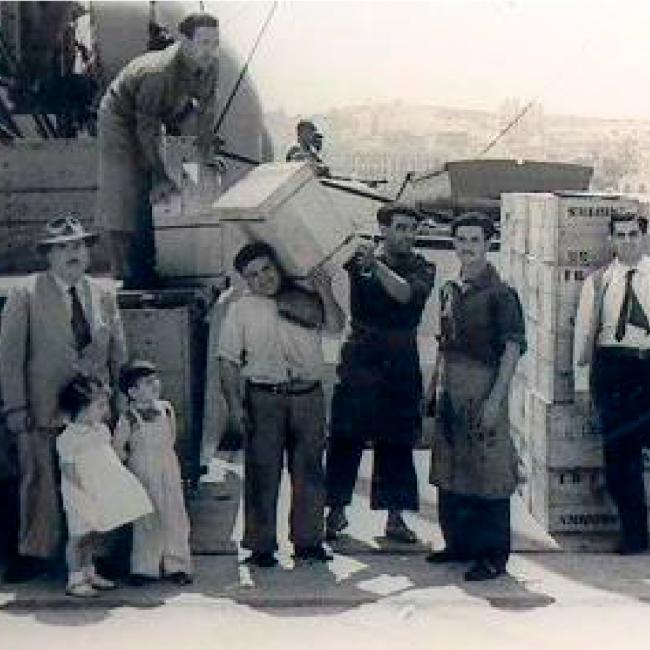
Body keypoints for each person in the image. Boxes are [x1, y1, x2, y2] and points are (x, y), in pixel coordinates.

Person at [0, 215, 127, 583]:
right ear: (49, 256)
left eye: (79, 246)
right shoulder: (25, 294)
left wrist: (119, 404)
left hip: (91, 413)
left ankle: (95, 558)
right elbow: (8, 358)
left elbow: (118, 353)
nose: (73, 253)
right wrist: (15, 407)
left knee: (96, 482)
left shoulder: (103, 293)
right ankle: (36, 554)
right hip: (41, 409)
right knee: (38, 482)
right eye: (63, 247)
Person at [218, 242, 345, 567]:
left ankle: (309, 542)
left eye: (267, 269)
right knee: (262, 472)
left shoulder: (305, 294)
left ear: (278, 266)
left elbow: (335, 327)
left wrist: (325, 291)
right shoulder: (240, 308)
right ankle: (261, 547)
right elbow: (228, 360)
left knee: (310, 471)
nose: (263, 278)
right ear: (245, 280)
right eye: (253, 275)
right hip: (263, 398)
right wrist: (235, 406)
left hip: (308, 396)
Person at [325, 203, 436, 544]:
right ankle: (335, 511)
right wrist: (355, 246)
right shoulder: (359, 258)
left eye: (411, 229)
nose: (407, 235)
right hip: (360, 354)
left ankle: (395, 518)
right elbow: (324, 252)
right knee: (346, 436)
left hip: (400, 357)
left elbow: (405, 294)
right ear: (384, 229)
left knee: (398, 438)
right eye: (400, 228)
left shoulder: (423, 267)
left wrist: (376, 266)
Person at [427, 212, 525, 581]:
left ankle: (492, 556)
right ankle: (459, 544)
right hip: (451, 387)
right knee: (451, 468)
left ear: (488, 244)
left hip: (484, 389)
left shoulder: (502, 294)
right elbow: (443, 344)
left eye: (474, 240)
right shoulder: (449, 289)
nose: (467, 247)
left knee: (489, 473)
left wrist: (495, 402)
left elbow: (512, 351)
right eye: (461, 239)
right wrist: (433, 388)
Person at [97, 11, 220, 289]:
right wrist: (160, 176)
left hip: (165, 108)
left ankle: (170, 256)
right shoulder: (158, 73)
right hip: (120, 116)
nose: (210, 51)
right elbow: (146, 131)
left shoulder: (210, 66)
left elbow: (205, 117)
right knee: (129, 188)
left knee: (188, 171)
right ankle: (130, 273)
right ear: (184, 41)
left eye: (215, 43)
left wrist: (206, 157)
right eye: (203, 43)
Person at [575, 210, 650, 555]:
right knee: (621, 457)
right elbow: (584, 335)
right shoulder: (599, 281)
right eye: (620, 235)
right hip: (613, 371)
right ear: (611, 240)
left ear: (644, 237)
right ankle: (634, 534)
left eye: (633, 234)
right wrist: (580, 385)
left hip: (646, 368)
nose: (626, 241)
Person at [57, 375, 153, 598]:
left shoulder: (100, 430)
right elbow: (68, 470)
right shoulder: (69, 437)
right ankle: (75, 578)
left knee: (91, 534)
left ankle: (90, 572)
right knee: (78, 537)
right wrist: (85, 491)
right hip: (80, 493)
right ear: (82, 407)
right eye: (99, 406)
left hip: (98, 490)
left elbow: (108, 459)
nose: (105, 410)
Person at [113, 360, 193, 586]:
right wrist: (125, 474)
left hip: (167, 466)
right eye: (147, 382)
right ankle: (144, 568)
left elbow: (172, 438)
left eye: (155, 380)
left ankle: (177, 565)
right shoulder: (128, 418)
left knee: (174, 515)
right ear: (132, 391)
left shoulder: (166, 409)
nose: (155, 384)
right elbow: (118, 448)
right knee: (146, 518)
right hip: (142, 470)